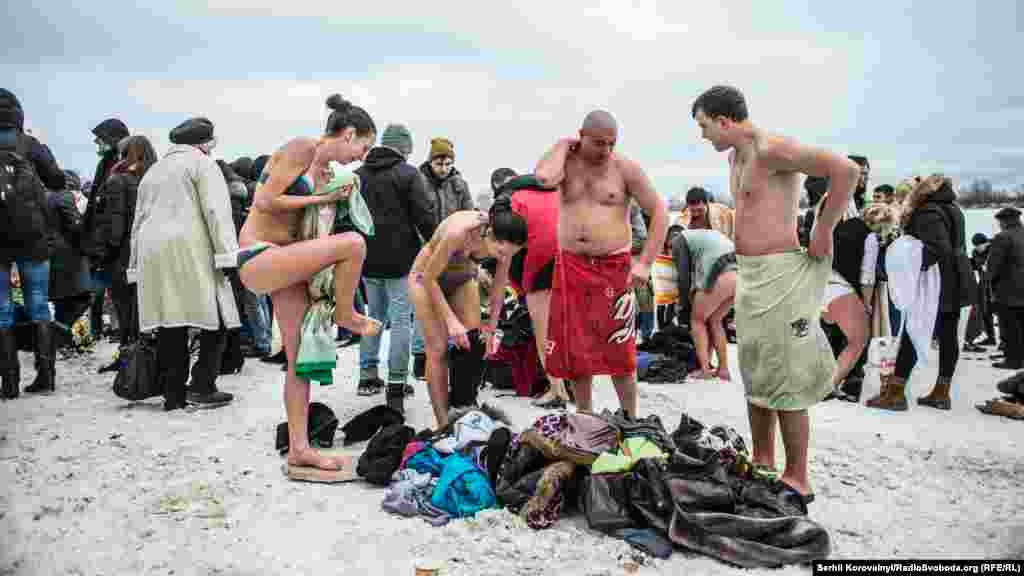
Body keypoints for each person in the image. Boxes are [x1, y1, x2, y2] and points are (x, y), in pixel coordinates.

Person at [692, 85, 859, 501]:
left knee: (786, 375)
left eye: (704, 126)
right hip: (749, 273)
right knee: (756, 372)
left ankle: (798, 477)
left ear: (724, 121)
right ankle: (764, 463)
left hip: (783, 273)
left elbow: (846, 171)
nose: (703, 136)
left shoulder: (772, 147)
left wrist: (823, 227)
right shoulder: (735, 156)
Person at [238, 94, 378, 474]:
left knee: (299, 361)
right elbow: (265, 201)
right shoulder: (302, 147)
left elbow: (310, 232)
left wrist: (332, 199)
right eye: (363, 147)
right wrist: (323, 197)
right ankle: (348, 315)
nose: (362, 157)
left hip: (286, 261)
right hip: (259, 254)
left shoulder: (327, 170)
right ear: (348, 134)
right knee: (354, 245)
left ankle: (299, 447)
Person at [535, 110, 669, 418]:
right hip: (571, 266)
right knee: (577, 349)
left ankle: (630, 417)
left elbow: (659, 212)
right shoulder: (565, 163)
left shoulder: (625, 169)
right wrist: (561, 145)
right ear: (580, 135)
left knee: (620, 350)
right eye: (598, 143)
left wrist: (645, 263)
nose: (605, 150)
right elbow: (543, 178)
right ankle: (585, 415)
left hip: (614, 267)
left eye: (611, 143)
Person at [130, 117, 241, 411]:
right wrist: (228, 256)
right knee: (216, 317)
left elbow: (137, 220)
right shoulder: (203, 165)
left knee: (170, 321)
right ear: (205, 143)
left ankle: (173, 395)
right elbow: (216, 212)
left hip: (152, 251)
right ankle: (203, 384)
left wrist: (133, 264)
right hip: (191, 249)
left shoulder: (153, 171)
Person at [409, 207, 527, 428]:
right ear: (489, 234)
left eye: (510, 255)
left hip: (461, 277)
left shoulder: (505, 244)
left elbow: (499, 288)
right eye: (501, 253)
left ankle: (462, 406)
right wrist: (452, 322)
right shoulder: (459, 233)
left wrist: (492, 329)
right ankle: (443, 423)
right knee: (438, 349)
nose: (504, 258)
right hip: (425, 278)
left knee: (475, 342)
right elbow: (428, 279)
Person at [866, 175, 970, 411]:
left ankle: (895, 393)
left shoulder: (927, 212)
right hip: (956, 277)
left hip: (936, 282)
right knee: (948, 334)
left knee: (914, 329)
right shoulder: (953, 208)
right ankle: (941, 393)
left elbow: (937, 249)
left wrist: (908, 263)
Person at [354, 123, 437, 410]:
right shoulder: (408, 174)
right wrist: (437, 247)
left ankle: (367, 376)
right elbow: (424, 216)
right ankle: (397, 383)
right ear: (403, 148)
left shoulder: (358, 175)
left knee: (372, 315)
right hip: (401, 261)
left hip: (365, 258)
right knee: (401, 320)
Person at [0, 88, 66, 399]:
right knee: (38, 303)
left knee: (1, 311)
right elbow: (57, 181)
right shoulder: (30, 145)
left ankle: (9, 383)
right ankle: (46, 377)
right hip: (33, 237)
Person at [486, 169, 571, 408]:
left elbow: (506, 273)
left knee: (542, 326)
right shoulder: (538, 192)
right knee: (564, 324)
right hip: (574, 244)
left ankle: (557, 390)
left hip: (545, 247)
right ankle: (569, 384)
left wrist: (524, 290)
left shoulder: (506, 209)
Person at [412, 137, 474, 378]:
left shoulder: (459, 183)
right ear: (431, 161)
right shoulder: (420, 181)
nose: (444, 168)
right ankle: (421, 355)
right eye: (440, 163)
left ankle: (451, 351)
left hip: (454, 249)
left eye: (448, 163)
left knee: (450, 301)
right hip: (426, 247)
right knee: (424, 303)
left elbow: (468, 210)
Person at [817, 192, 874, 402]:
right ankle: (828, 386)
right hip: (841, 287)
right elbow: (867, 275)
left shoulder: (820, 228)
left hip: (817, 287)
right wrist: (866, 302)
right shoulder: (863, 231)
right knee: (858, 340)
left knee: (823, 338)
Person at [673, 228, 737, 381]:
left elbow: (683, 278)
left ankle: (705, 370)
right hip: (738, 275)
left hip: (719, 273)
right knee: (715, 321)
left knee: (697, 320)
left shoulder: (678, 240)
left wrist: (682, 305)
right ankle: (723, 369)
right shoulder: (707, 235)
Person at [986, 207, 1024, 370]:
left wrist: (988, 283)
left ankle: (1013, 359)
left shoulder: (1002, 238)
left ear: (1004, 221)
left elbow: (994, 266)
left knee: (1009, 326)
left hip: (1008, 290)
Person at [963, 233, 997, 352]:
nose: (978, 248)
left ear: (986, 243)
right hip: (984, 285)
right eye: (976, 246)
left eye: (979, 245)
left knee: (1000, 313)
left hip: (995, 285)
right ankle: (991, 338)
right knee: (985, 312)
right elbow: (977, 265)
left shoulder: (995, 248)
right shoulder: (975, 252)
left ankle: (1004, 342)